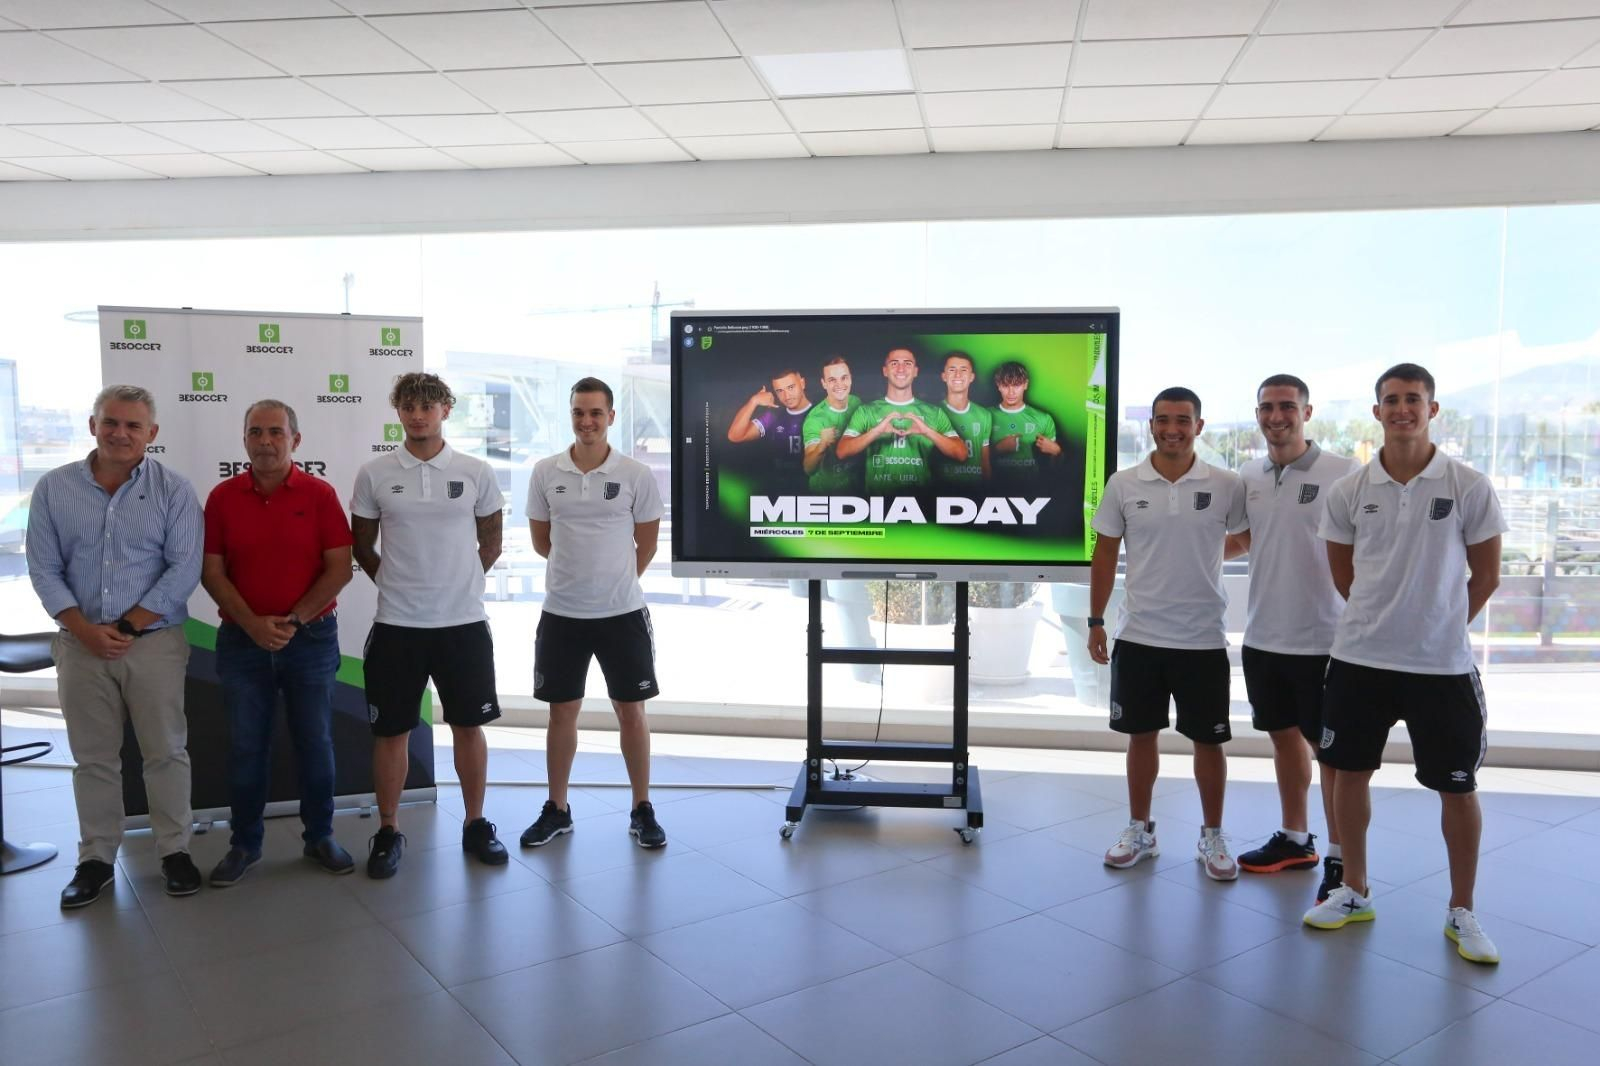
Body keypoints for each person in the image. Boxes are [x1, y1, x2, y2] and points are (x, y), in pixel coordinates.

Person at [1303, 363, 1506, 966]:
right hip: (1360, 660)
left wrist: (1438, 625)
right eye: (1391, 400)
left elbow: (1487, 575)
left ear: (1432, 409)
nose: (1402, 410)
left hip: (1441, 668)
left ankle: (1461, 909)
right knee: (1346, 773)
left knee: (1458, 790)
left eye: (1413, 400)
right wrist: (1388, 622)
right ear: (1377, 411)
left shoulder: (1468, 485)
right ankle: (1354, 889)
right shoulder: (1349, 492)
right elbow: (1344, 578)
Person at [27, 384, 204, 907]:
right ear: (93, 426)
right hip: (80, 645)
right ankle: (96, 858)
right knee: (93, 759)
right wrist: (84, 629)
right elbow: (43, 567)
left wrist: (125, 629)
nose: (120, 433)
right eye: (111, 422)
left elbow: (183, 569)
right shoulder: (54, 489)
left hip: (152, 643)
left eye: (133, 426)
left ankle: (175, 852)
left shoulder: (174, 491)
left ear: (151, 434)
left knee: (166, 752)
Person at [1087, 387, 1248, 881]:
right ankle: (1140, 830)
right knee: (1141, 737)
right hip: (1139, 636)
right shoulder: (1124, 483)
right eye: (1163, 419)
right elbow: (1106, 553)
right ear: (1150, 425)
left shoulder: (1226, 483)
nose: (1172, 428)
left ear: (1200, 425)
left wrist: (1202, 553)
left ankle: (1212, 836)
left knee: (1209, 743)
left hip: (1202, 637)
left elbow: (1245, 537)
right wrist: (1096, 620)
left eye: (1183, 419)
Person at [351, 372, 507, 878]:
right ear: (398, 411)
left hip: (462, 624)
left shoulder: (476, 471)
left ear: (445, 410)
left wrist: (456, 584)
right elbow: (361, 546)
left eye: (428, 405)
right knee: (391, 732)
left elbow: (492, 543)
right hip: (397, 625)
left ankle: (476, 822)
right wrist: (397, 585)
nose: (418, 415)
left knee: (469, 726)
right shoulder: (374, 473)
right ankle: (389, 830)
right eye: (408, 406)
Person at [201, 400, 356, 886]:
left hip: (309, 638)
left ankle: (320, 837)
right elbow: (212, 572)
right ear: (244, 439)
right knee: (247, 747)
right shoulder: (223, 497)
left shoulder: (319, 494)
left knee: (316, 743)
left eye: (275, 432)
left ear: (295, 440)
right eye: (255, 432)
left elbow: (339, 567)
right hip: (242, 641)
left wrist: (291, 620)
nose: (265, 441)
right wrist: (252, 624)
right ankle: (244, 845)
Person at [520, 377, 667, 849]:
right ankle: (557, 809)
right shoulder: (546, 472)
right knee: (561, 714)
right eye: (579, 413)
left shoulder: (635, 475)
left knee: (631, 712)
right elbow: (543, 542)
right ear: (571, 416)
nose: (587, 422)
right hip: (562, 614)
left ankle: (642, 808)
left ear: (610, 418)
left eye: (596, 414)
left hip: (622, 614)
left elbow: (646, 544)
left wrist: (614, 581)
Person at [1225, 375, 1357, 899]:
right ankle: (1296, 839)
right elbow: (1243, 539)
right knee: (1283, 738)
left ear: (1307, 411)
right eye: (1267, 407)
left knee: (1331, 755)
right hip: (1263, 634)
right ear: (1257, 413)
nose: (1276, 416)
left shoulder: (1344, 473)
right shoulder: (1249, 475)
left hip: (1325, 639)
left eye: (1287, 407)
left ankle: (1341, 858)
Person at [836, 347, 966, 492]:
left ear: (915, 371)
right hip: (878, 503)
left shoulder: (934, 412)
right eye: (894, 363)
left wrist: (927, 431)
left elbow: (961, 454)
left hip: (920, 501)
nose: (901, 369)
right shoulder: (866, 411)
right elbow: (842, 452)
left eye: (907, 363)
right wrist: (876, 431)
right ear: (885, 371)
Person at [726, 369, 812, 478]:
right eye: (780, 391)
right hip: (783, 484)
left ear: (802, 383)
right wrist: (754, 401)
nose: (787, 396)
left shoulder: (821, 411)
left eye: (791, 387)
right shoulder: (773, 416)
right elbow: (735, 436)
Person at [989, 361, 1060, 483]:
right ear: (998, 385)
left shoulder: (1043, 418)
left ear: (1025, 385)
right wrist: (996, 450)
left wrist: (1057, 452)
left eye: (1016, 385)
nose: (1011, 392)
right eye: (1006, 385)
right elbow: (970, 462)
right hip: (994, 489)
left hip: (1031, 488)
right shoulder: (985, 416)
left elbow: (1056, 470)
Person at [800, 357, 862, 493]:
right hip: (826, 494)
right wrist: (822, 445)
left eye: (844, 378)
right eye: (832, 380)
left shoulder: (856, 402)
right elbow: (808, 468)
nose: (839, 384)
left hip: (855, 491)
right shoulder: (815, 419)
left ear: (850, 379)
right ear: (824, 383)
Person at [936, 351, 992, 487]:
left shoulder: (984, 415)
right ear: (943, 376)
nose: (958, 375)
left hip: (975, 492)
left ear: (972, 377)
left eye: (964, 370)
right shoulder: (933, 412)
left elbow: (985, 463)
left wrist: (989, 492)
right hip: (942, 492)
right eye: (952, 369)